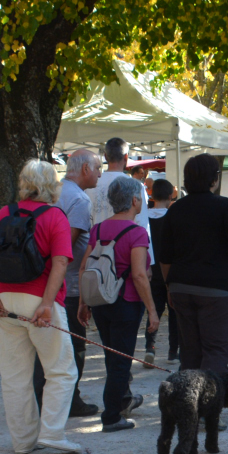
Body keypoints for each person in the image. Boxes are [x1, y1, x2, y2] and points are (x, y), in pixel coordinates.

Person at [0, 160, 83, 454]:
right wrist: (47, 303)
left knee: (14, 375)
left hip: (5, 300)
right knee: (61, 371)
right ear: (52, 185)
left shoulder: (2, 214)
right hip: (39, 301)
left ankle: (23, 441)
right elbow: (61, 261)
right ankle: (52, 433)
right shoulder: (54, 216)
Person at [159, 152, 228, 377]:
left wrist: (169, 286)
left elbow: (165, 255)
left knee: (190, 351)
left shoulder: (176, 209)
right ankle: (208, 406)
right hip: (218, 288)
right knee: (216, 350)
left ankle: (188, 403)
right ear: (214, 178)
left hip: (181, 285)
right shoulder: (225, 207)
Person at [80, 176, 158, 433]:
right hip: (126, 301)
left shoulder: (98, 229)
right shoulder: (137, 233)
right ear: (135, 200)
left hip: (101, 299)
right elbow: (139, 275)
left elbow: (85, 266)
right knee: (121, 361)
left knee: (111, 356)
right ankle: (112, 416)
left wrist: (84, 301)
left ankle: (120, 403)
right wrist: (152, 311)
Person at [32, 149, 99, 417]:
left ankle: (44, 400)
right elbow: (65, 249)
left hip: (43, 284)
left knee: (44, 348)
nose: (99, 173)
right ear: (84, 170)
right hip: (65, 287)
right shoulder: (79, 200)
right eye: (96, 167)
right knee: (73, 348)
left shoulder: (53, 194)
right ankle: (69, 402)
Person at [145, 177, 179, 362]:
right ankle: (174, 350)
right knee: (174, 313)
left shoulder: (144, 217)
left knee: (153, 310)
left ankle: (150, 346)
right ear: (170, 195)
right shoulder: (172, 217)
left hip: (149, 271)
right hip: (170, 272)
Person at [91, 136, 149, 231]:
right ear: (126, 157)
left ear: (105, 156)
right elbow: (142, 223)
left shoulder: (91, 184)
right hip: (127, 243)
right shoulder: (136, 186)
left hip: (96, 242)